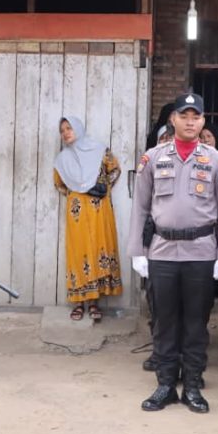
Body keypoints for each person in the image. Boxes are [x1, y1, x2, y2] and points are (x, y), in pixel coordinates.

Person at [129, 91, 218, 413]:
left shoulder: (217, 161)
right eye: (184, 115)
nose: (190, 121)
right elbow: (140, 208)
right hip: (162, 252)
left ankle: (192, 384)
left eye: (196, 117)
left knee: (195, 322)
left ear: (203, 121)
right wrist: (138, 251)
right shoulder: (153, 158)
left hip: (201, 253)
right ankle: (165, 384)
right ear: (172, 119)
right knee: (163, 321)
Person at [54, 116, 123, 321]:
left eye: (69, 128)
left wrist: (102, 187)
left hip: (99, 209)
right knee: (79, 252)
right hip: (77, 212)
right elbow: (59, 183)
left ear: (78, 129)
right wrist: (76, 192)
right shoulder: (62, 159)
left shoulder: (100, 150)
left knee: (98, 249)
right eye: (62, 130)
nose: (66, 133)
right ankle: (78, 302)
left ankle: (94, 302)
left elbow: (115, 169)